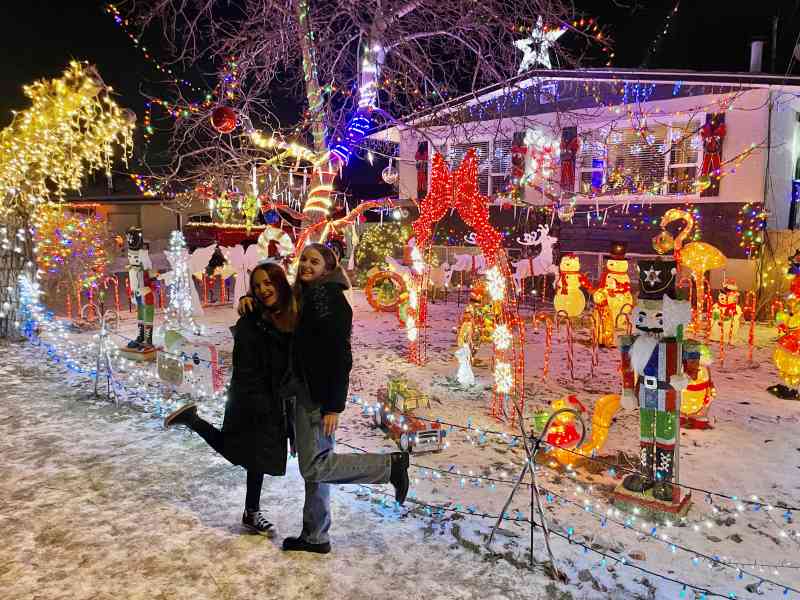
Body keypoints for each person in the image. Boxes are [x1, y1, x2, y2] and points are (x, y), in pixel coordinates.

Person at [239, 243, 409, 554]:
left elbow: (341, 356)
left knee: (315, 467)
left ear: (328, 267)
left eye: (314, 261)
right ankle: (316, 536)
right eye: (304, 259)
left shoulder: (327, 298)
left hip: (316, 399)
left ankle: (389, 468)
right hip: (305, 394)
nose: (306, 265)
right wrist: (248, 299)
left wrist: (334, 405)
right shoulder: (309, 295)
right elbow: (278, 306)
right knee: (317, 467)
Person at [164, 262, 295, 536]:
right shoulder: (252, 319)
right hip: (252, 398)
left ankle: (251, 511)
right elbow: (247, 364)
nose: (263, 289)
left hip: (275, 399)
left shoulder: (291, 311)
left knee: (256, 456)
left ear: (280, 281)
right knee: (245, 453)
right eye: (257, 286)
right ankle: (194, 421)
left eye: (268, 282)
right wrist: (258, 400)